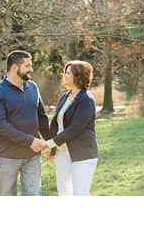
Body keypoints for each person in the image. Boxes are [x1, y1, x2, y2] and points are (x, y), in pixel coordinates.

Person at [0, 49, 47, 196]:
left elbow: (42, 117)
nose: (31, 69)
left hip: (33, 156)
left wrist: (52, 142)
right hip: (8, 157)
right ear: (15, 68)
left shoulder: (33, 87)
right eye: (27, 66)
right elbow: (1, 125)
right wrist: (29, 141)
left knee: (34, 195)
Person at [42, 60, 102, 196]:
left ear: (78, 76)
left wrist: (49, 143)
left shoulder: (86, 99)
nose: (64, 75)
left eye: (68, 73)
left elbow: (75, 129)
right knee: (63, 193)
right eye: (65, 72)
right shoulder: (65, 96)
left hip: (83, 154)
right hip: (62, 154)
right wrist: (52, 151)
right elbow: (56, 124)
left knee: (80, 194)